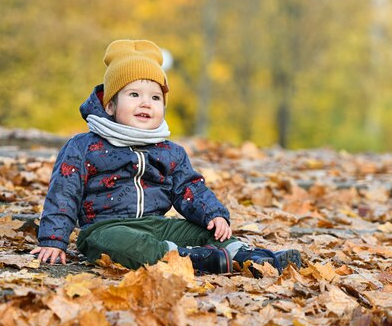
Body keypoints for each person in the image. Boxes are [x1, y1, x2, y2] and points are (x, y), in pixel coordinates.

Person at [31, 39, 302, 275]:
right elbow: (64, 194)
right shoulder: (84, 147)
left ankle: (257, 259)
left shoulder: (169, 151)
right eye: (134, 94)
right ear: (110, 104)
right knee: (111, 242)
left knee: (206, 233)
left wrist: (214, 214)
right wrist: (53, 240)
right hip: (107, 228)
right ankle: (194, 259)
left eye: (155, 97)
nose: (146, 103)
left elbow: (189, 188)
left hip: (158, 226)